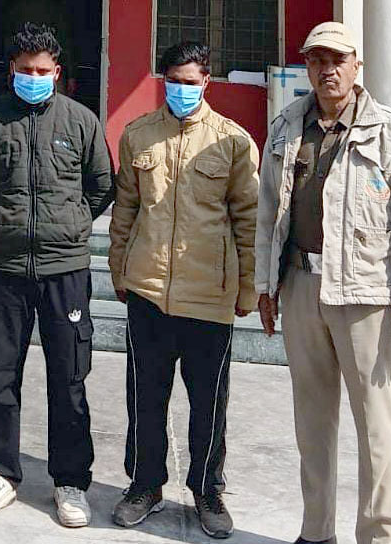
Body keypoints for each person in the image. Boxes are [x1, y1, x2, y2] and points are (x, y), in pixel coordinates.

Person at [255, 22, 391, 544]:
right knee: (312, 423)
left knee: (376, 426)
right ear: (307, 66)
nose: (328, 70)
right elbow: (268, 212)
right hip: (300, 286)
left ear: (357, 65)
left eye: (338, 59)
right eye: (317, 60)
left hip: (364, 294)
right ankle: (316, 532)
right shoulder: (287, 127)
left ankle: (379, 536)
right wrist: (265, 286)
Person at [0, 22, 114, 529]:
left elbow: (101, 185)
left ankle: (70, 481)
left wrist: (69, 225)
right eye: (25, 70)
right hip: (5, 268)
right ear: (11, 70)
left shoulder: (81, 121)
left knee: (69, 378)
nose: (34, 77)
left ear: (57, 72)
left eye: (42, 70)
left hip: (64, 269)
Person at [108, 41, 259, 539]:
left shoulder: (233, 141)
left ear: (206, 82)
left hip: (209, 295)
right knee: (145, 397)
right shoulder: (138, 135)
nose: (181, 90)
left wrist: (248, 288)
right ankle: (144, 484)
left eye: (190, 82)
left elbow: (248, 219)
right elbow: (126, 209)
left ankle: (207, 489)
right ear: (162, 80)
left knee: (209, 403)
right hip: (148, 289)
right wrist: (119, 268)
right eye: (173, 81)